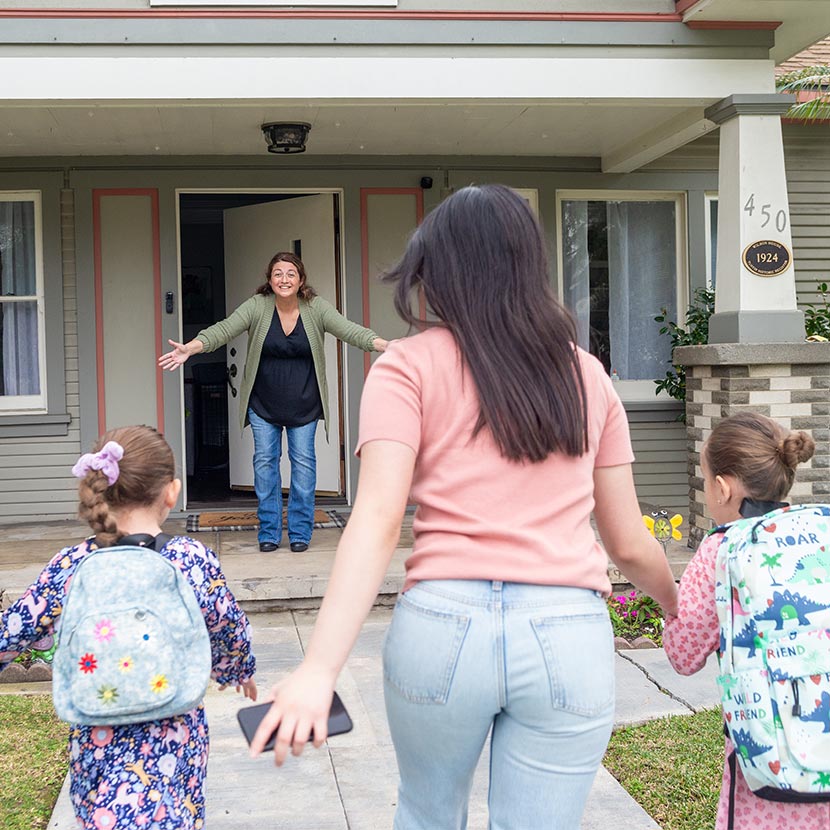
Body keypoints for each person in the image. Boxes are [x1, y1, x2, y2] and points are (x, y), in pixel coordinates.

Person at [248, 184, 679, 828]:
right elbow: (628, 543)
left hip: (442, 629)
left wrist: (318, 668)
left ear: (436, 270)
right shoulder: (587, 374)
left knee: (427, 815)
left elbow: (376, 520)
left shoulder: (406, 368)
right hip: (567, 633)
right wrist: (679, 609)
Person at [0, 425, 257, 830]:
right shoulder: (192, 560)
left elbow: (13, 632)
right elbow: (228, 627)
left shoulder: (71, 565)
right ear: (171, 492)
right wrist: (236, 670)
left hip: (97, 741)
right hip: (175, 736)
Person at [159, 252, 388, 554]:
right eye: (278, 273)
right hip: (263, 403)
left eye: (291, 273)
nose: (284, 279)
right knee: (265, 465)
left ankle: (299, 531)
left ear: (301, 280)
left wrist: (385, 345)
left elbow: (349, 330)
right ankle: (268, 530)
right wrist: (192, 347)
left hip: (304, 403)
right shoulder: (258, 306)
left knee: (304, 467)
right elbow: (224, 329)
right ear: (269, 280)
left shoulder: (315, 307)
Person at [663, 412, 823, 830]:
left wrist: (669, 601)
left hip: (765, 770)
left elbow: (684, 655)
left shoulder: (720, 549)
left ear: (722, 486)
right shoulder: (821, 532)